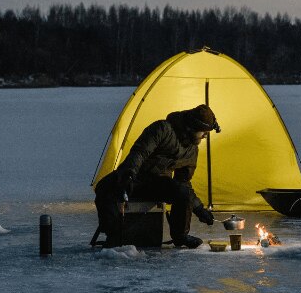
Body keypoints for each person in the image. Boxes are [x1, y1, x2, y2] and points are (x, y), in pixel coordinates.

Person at [94, 104, 219, 249]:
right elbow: (139, 153)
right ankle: (114, 235)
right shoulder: (162, 129)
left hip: (158, 184)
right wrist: (129, 174)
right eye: (204, 132)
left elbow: (183, 182)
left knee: (182, 192)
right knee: (104, 188)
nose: (205, 135)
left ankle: (180, 236)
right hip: (135, 176)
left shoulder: (192, 150)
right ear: (191, 127)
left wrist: (199, 209)